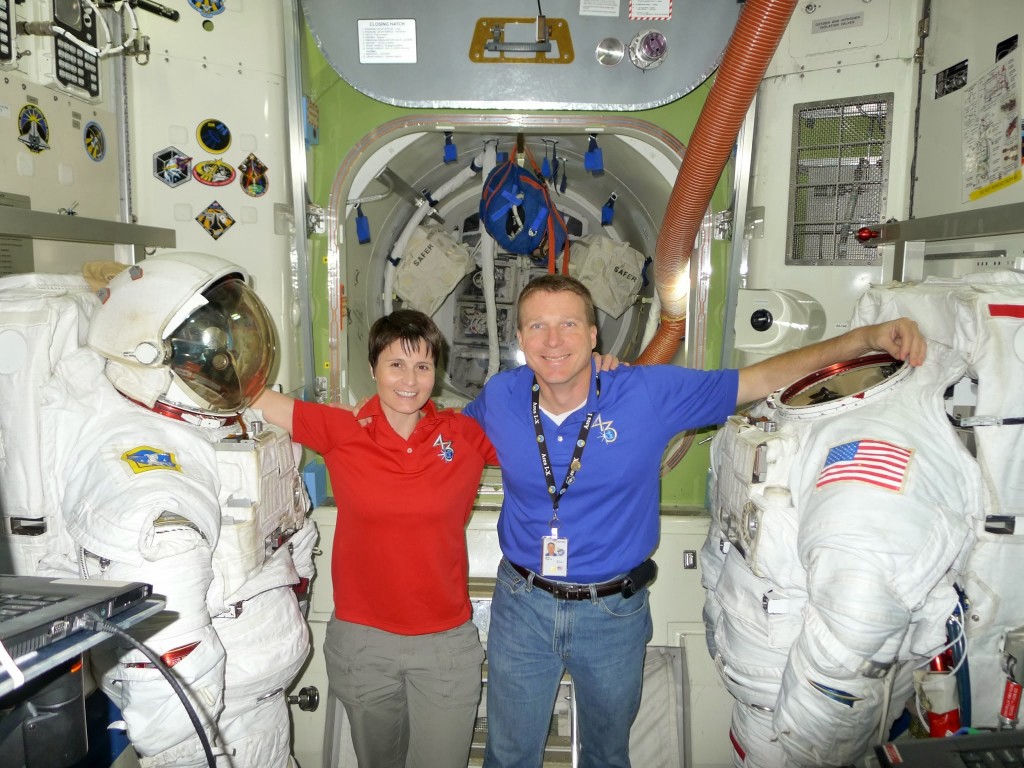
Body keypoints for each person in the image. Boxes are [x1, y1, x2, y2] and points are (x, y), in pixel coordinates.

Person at [462, 273, 927, 768]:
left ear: (595, 336)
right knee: (508, 755)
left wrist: (866, 338)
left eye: (568, 324)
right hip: (523, 605)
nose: (553, 341)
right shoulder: (501, 396)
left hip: (611, 613)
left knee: (605, 755)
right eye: (537, 326)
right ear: (520, 339)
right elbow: (437, 435)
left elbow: (760, 380)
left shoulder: (646, 393)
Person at [1, 253, 314, 767]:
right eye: (207, 349)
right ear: (146, 351)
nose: (226, 361)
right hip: (212, 731)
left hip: (253, 705)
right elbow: (168, 646)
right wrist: (191, 754)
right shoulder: (144, 472)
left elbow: (285, 528)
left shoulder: (210, 428)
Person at [253, 309, 497, 768]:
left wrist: (597, 371)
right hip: (364, 643)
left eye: (423, 366)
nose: (410, 379)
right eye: (396, 365)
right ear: (373, 370)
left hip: (444, 645)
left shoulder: (463, 434)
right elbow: (255, 397)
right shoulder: (342, 428)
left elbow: (546, 433)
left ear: (436, 373)